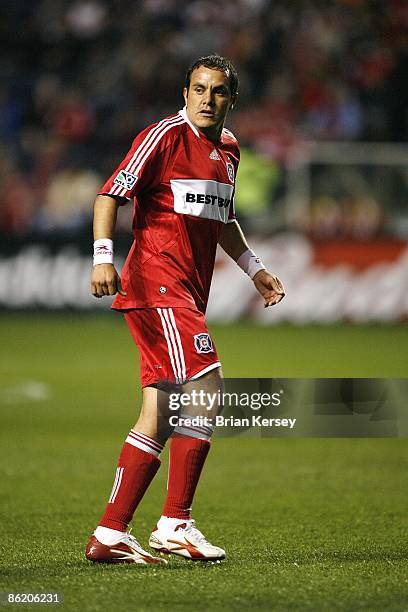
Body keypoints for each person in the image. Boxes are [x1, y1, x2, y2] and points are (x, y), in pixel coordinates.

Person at [85, 54, 285, 565]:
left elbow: (222, 221)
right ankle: (175, 521)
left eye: (217, 91)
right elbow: (111, 194)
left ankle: (110, 534)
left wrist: (255, 269)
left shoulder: (231, 151)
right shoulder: (164, 137)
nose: (206, 99)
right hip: (157, 285)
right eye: (198, 88)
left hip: (186, 293)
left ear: (231, 99)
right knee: (207, 388)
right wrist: (103, 256)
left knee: (160, 412)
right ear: (186, 90)